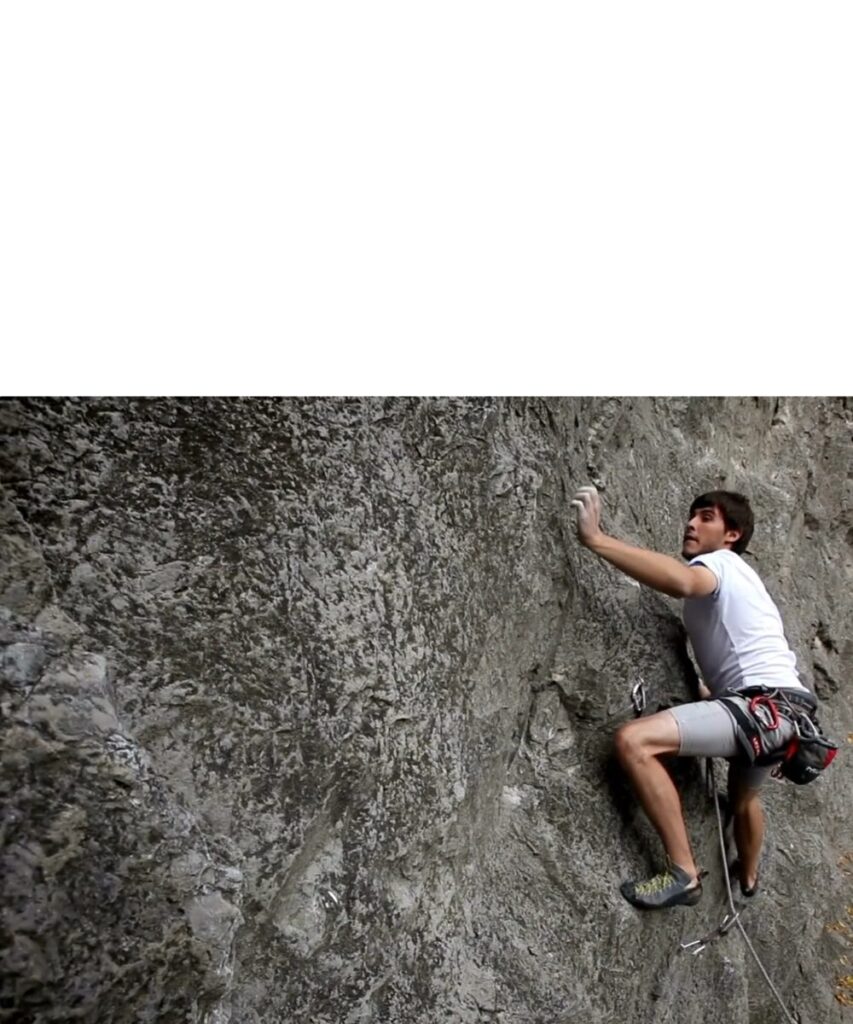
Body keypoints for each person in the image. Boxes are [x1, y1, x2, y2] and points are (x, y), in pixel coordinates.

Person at [571, 484, 813, 909]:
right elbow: (744, 650)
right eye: (692, 515)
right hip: (784, 714)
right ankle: (749, 877)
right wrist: (713, 692)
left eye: (706, 517)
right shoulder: (744, 582)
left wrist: (596, 539)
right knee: (744, 798)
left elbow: (683, 581)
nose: (691, 523)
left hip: (758, 711)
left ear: (732, 535)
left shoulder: (721, 563)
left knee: (634, 741)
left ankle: (683, 873)